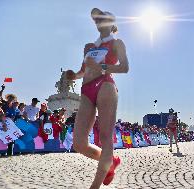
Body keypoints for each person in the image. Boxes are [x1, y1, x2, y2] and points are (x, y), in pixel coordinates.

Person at [66, 8, 129, 189]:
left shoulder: (117, 43)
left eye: (101, 19)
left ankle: (94, 186)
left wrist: (102, 66)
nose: (98, 22)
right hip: (86, 89)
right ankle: (111, 161)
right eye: (96, 20)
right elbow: (83, 71)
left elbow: (124, 67)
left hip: (105, 85)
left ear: (110, 22)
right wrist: (74, 76)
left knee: (105, 137)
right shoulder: (88, 47)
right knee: (79, 143)